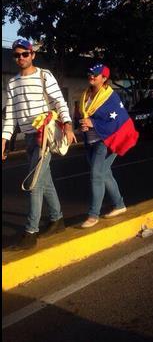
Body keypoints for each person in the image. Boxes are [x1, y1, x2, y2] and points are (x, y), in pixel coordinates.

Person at [1, 39, 77, 249]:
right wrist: (4, 139)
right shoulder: (13, 83)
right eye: (17, 55)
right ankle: (57, 219)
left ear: (32, 54)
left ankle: (30, 232)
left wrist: (69, 125)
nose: (21, 58)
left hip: (45, 136)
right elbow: (11, 116)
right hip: (29, 138)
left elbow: (59, 102)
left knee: (34, 183)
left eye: (25, 54)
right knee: (46, 181)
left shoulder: (44, 76)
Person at [79, 64, 139, 228]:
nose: (91, 76)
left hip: (107, 141)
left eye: (95, 75)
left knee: (96, 174)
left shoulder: (111, 97)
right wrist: (85, 125)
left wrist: (93, 123)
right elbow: (87, 116)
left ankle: (93, 215)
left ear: (104, 78)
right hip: (90, 141)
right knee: (105, 174)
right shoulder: (86, 94)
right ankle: (119, 205)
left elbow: (117, 121)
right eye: (90, 73)